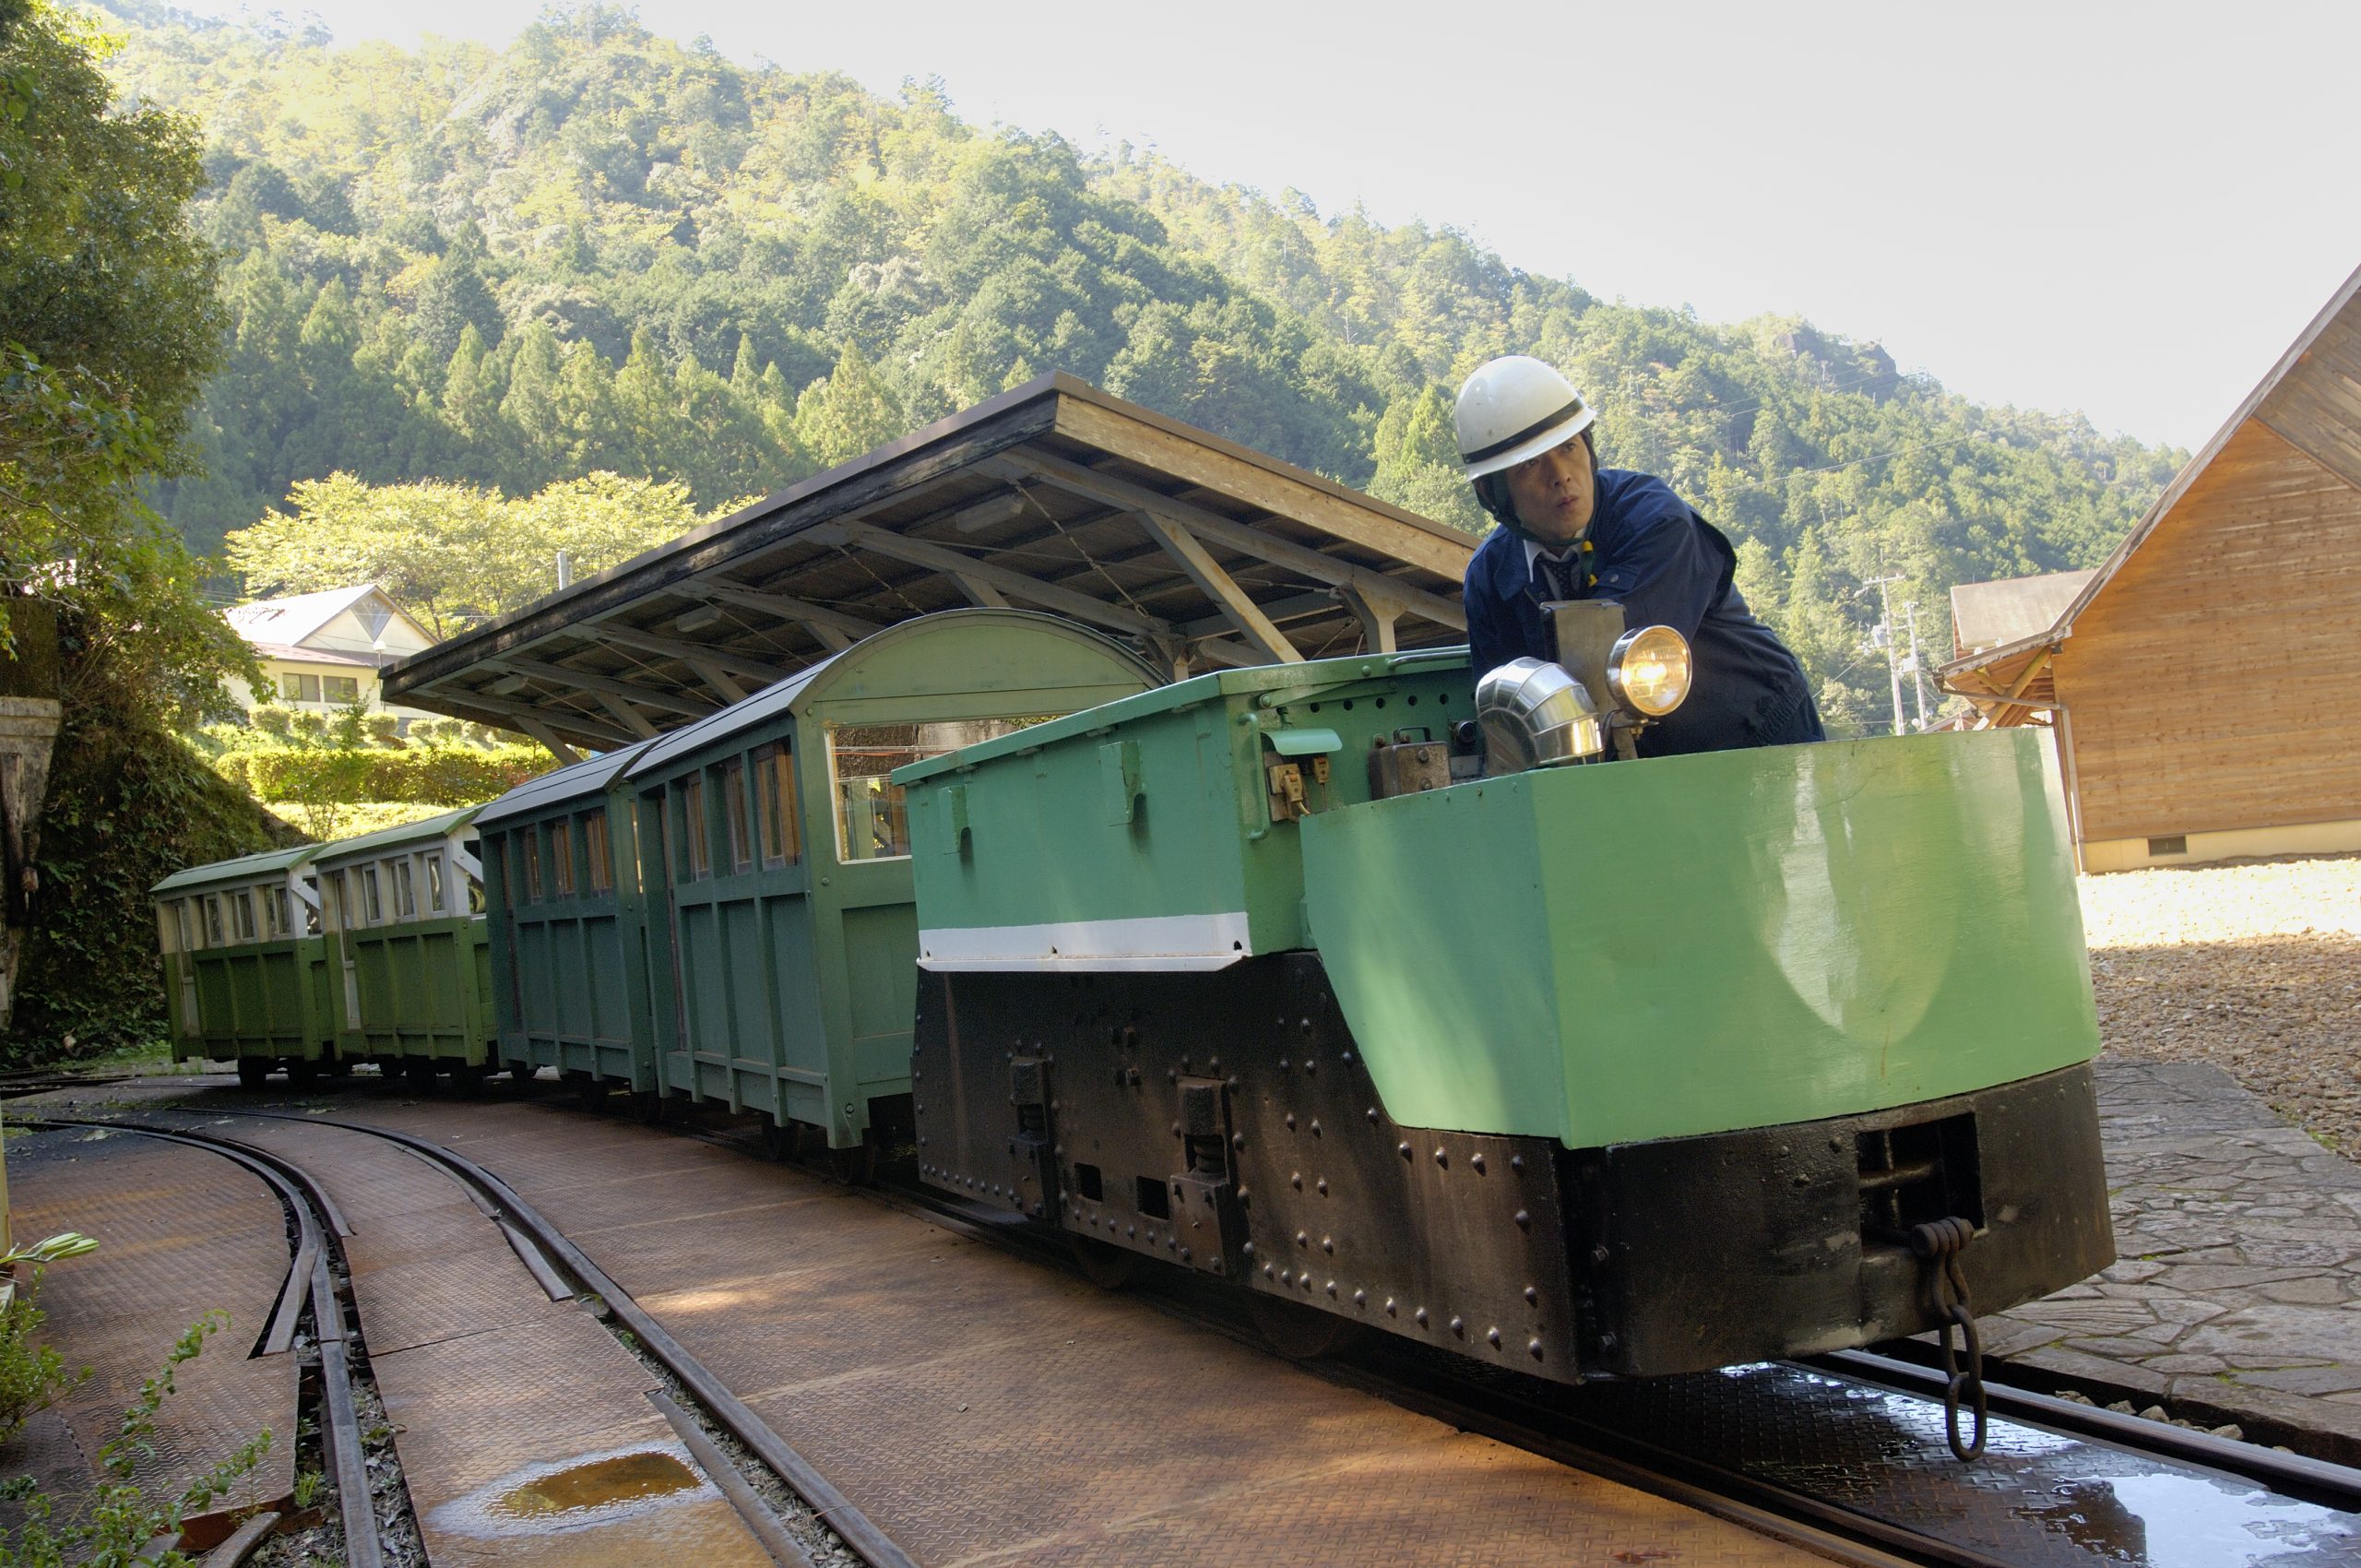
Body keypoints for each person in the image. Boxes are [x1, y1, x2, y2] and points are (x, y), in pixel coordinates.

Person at [1456, 355, 1824, 756]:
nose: (1561, 474)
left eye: (1569, 447)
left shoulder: (1656, 522)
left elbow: (1606, 671)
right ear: (1491, 494)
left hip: (1759, 733)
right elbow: (1504, 711)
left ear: (1590, 449)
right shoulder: (1490, 577)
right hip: (1646, 767)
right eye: (1530, 464)